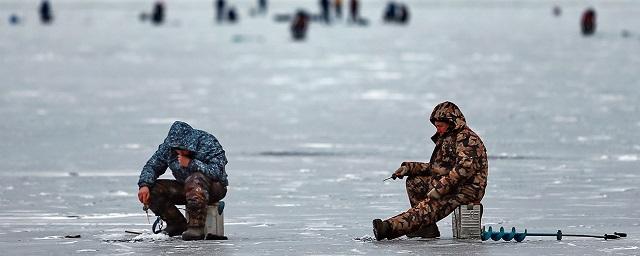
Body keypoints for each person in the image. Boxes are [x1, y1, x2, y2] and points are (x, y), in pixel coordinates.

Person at [372, 102, 488, 240]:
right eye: (436, 126)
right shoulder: (448, 138)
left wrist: (440, 189)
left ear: (451, 122)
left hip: (466, 189)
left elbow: (464, 169)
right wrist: (409, 168)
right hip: (452, 184)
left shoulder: (468, 139)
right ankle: (426, 229)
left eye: (440, 126)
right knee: (414, 182)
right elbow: (437, 168)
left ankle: (388, 228)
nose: (438, 130)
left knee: (429, 206)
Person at [137, 121, 229, 241]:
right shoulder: (168, 148)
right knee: (153, 189)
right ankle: (176, 224)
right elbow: (152, 166)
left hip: (214, 188)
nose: (179, 152)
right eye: (177, 149)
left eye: (183, 149)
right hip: (186, 187)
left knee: (195, 179)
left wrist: (191, 163)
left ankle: (196, 228)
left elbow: (217, 172)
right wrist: (144, 185)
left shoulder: (208, 142)